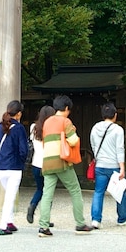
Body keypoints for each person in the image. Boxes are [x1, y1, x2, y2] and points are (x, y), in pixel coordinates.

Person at [37, 94, 91, 237]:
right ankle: (80, 223)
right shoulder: (65, 121)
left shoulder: (47, 122)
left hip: (47, 161)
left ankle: (43, 227)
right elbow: (73, 141)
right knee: (75, 190)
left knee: (47, 193)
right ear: (66, 108)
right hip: (61, 161)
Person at [89, 102, 126, 228]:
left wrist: (98, 157)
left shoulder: (95, 128)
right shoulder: (118, 130)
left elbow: (93, 145)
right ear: (115, 115)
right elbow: (120, 149)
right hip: (114, 165)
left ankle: (95, 220)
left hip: (100, 165)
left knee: (98, 192)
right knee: (119, 192)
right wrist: (122, 167)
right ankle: (122, 218)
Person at [0, 100, 30, 236]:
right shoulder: (19, 128)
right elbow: (23, 150)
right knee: (9, 197)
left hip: (1, 167)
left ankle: (9, 222)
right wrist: (21, 161)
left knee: (9, 194)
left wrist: (1, 156)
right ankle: (3, 225)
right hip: (14, 167)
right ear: (19, 114)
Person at [26, 105, 56, 225]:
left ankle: (32, 206)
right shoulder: (51, 129)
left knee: (40, 189)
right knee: (48, 191)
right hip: (48, 163)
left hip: (36, 163)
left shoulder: (33, 127)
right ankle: (45, 219)